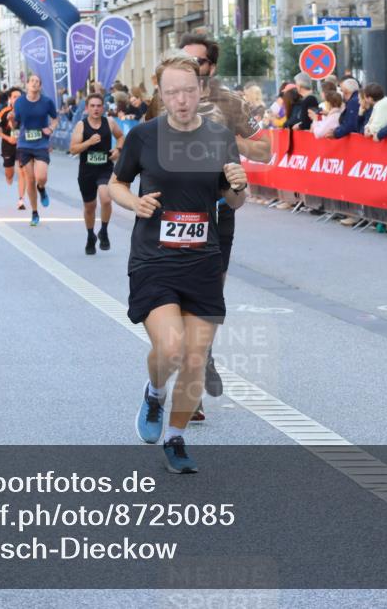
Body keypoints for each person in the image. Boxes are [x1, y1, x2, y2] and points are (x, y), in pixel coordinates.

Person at [108, 51, 248, 473]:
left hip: (203, 260)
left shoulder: (219, 137)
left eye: (188, 91)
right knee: (169, 349)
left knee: (194, 357)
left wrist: (240, 188)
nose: (182, 100)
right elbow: (115, 184)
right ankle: (154, 393)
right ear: (162, 94)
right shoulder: (144, 137)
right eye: (172, 93)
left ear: (200, 90)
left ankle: (176, 438)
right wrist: (134, 201)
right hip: (154, 258)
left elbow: (233, 200)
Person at [178, 32, 270, 418]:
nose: (185, 67)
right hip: (177, 207)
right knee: (180, 295)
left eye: (195, 61)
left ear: (210, 67)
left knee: (209, 294)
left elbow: (265, 150)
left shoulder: (230, 102)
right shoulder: (164, 97)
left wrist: (232, 139)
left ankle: (204, 354)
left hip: (219, 205)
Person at [69, 93, 125, 254]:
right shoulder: (81, 125)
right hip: (86, 171)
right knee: (90, 206)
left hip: (105, 168)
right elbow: (73, 149)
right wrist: (89, 142)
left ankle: (104, 231)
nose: (95, 109)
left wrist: (118, 149)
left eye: (98, 106)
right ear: (87, 108)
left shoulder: (109, 122)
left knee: (106, 199)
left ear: (103, 108)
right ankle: (90, 236)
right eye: (92, 106)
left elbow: (121, 137)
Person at [13, 73, 58, 227]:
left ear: (40, 86)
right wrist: (11, 120)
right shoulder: (19, 102)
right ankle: (34, 212)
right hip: (24, 144)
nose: (33, 83)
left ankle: (42, 188)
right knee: (30, 179)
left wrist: (51, 128)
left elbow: (55, 118)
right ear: (27, 85)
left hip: (41, 144)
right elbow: (16, 123)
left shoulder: (47, 102)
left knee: (41, 177)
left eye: (37, 82)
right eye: (31, 81)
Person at [0, 86, 29, 209]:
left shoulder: (27, 111)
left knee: (22, 171)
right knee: (9, 175)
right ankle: (9, 177)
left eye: (19, 97)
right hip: (8, 146)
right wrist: (7, 138)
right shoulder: (4, 112)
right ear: (10, 99)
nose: (17, 99)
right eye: (14, 97)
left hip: (22, 145)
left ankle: (21, 200)